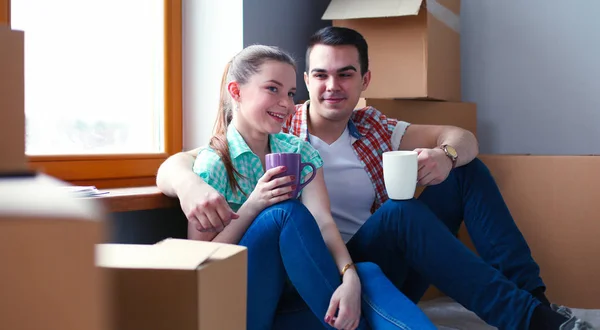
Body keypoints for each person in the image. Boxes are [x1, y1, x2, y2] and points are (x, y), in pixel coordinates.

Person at [156, 29, 595, 330]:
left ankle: (534, 304)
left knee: (465, 170)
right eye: (320, 75)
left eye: (346, 74)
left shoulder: (375, 128)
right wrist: (189, 183)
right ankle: (530, 319)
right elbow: (189, 160)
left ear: (363, 80)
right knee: (398, 216)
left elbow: (462, 138)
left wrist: (445, 156)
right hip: (313, 266)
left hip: (369, 260)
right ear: (308, 81)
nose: (332, 86)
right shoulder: (280, 130)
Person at [187, 44, 437, 330]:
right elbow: (197, 263)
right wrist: (255, 204)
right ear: (236, 91)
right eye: (272, 89)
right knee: (284, 213)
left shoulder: (298, 151)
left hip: (296, 298)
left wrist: (348, 275)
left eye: (291, 93)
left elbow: (323, 221)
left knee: (365, 273)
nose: (286, 103)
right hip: (241, 304)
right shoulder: (214, 165)